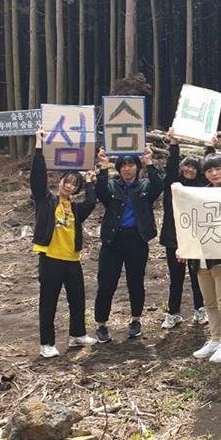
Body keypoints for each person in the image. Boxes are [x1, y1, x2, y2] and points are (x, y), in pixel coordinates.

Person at [30, 130, 98, 357]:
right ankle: (46, 343)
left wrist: (89, 181)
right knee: (48, 302)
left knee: (77, 298)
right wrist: (39, 147)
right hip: (50, 258)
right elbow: (37, 178)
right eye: (67, 182)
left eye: (74, 185)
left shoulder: (76, 209)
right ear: (60, 182)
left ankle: (77, 334)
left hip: (72, 260)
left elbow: (91, 202)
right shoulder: (46, 200)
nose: (69, 186)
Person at [94, 144, 163, 343]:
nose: (127, 168)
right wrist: (103, 167)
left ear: (137, 167)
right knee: (106, 284)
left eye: (131, 164)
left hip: (137, 239)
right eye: (123, 165)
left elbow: (157, 187)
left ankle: (135, 320)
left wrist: (149, 162)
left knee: (135, 282)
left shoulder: (144, 186)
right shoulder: (112, 185)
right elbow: (101, 192)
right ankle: (101, 324)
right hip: (113, 239)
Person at [187, 153, 221, 363]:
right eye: (209, 170)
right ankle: (215, 339)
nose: (214, 173)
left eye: (218, 168)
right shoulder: (201, 194)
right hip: (202, 255)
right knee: (209, 302)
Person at [159, 128, 207, 329]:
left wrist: (211, 146)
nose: (189, 170)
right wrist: (174, 144)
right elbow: (171, 168)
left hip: (195, 238)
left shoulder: (201, 188)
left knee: (197, 276)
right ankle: (173, 313)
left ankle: (200, 310)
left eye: (193, 167)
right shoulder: (173, 185)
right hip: (173, 237)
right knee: (176, 277)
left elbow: (208, 170)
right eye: (186, 166)